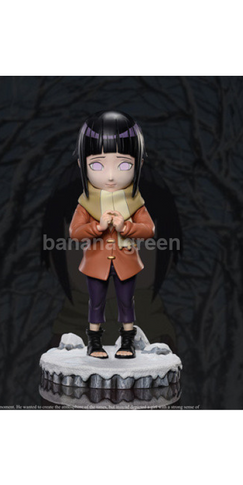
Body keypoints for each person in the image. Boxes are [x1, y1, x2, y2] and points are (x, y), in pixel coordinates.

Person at [69, 110, 155, 359]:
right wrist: (97, 228)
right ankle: (94, 342)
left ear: (138, 164)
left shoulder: (135, 201)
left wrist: (125, 227)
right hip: (96, 263)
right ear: (82, 165)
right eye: (97, 165)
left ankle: (127, 341)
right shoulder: (86, 203)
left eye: (124, 165)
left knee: (126, 302)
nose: (110, 176)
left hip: (126, 262)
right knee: (96, 302)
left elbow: (148, 229)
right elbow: (75, 233)